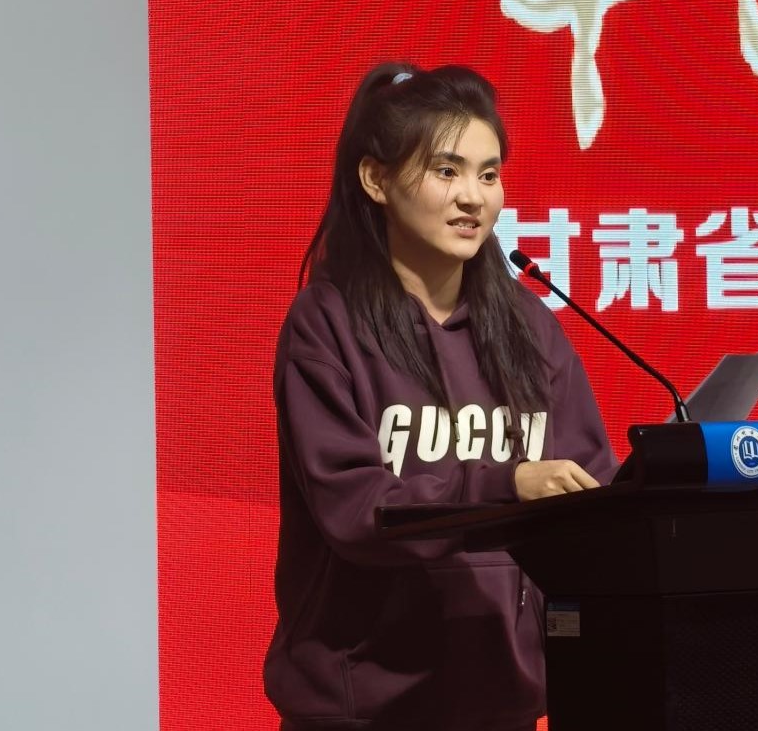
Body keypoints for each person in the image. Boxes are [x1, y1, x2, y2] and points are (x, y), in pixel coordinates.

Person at [263, 61, 618, 731]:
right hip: (364, 709)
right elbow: (356, 509)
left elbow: (589, 480)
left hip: (501, 704)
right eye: (446, 171)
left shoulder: (528, 326)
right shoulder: (327, 324)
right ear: (376, 179)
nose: (473, 198)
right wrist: (507, 483)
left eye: (488, 175)